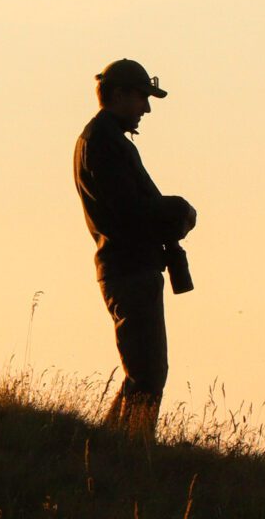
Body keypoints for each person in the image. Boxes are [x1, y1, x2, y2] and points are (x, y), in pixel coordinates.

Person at [73, 58, 197, 438]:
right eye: (142, 97)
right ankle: (131, 451)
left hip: (131, 268)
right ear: (119, 95)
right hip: (129, 271)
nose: (146, 108)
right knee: (148, 373)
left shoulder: (106, 140)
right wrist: (177, 211)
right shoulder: (103, 143)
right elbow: (128, 210)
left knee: (143, 372)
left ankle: (112, 446)